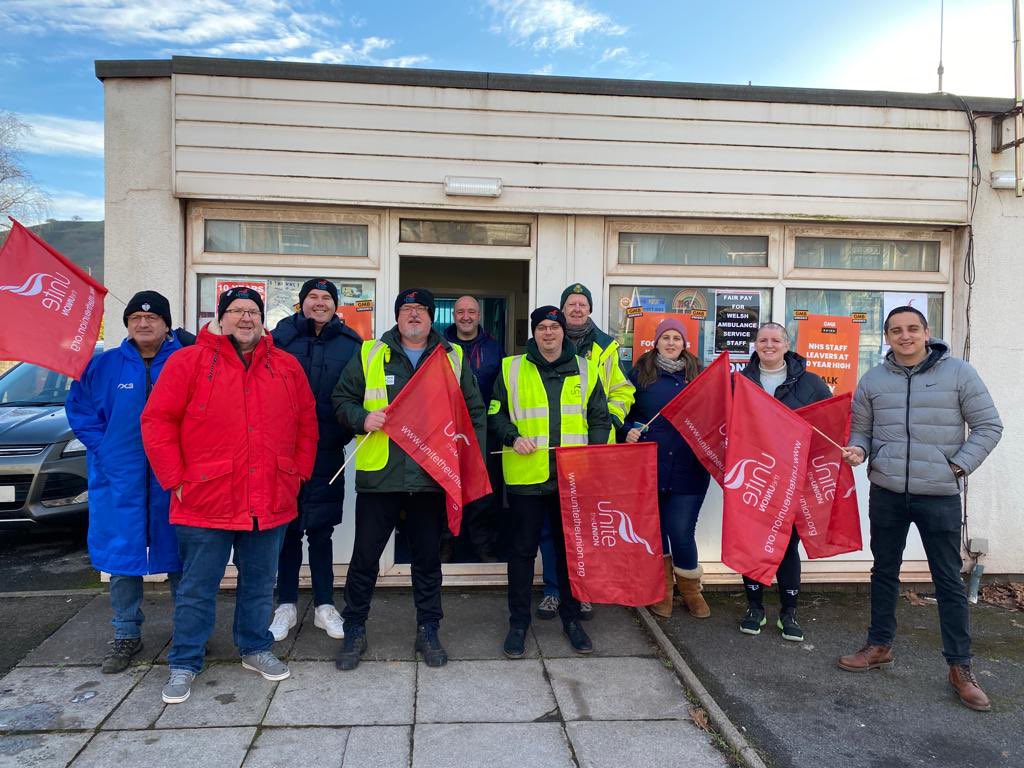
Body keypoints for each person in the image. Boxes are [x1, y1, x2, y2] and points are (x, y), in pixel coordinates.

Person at [141, 286, 318, 704]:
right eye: (236, 310)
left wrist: (296, 475)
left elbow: (307, 423)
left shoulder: (286, 366)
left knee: (259, 584)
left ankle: (255, 647)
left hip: (269, 496)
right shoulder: (189, 362)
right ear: (220, 319)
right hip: (204, 499)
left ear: (263, 318)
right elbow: (157, 422)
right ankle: (184, 661)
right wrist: (176, 480)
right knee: (197, 588)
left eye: (253, 311)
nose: (245, 317)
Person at [839, 306, 1002, 712]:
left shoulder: (959, 373)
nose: (905, 336)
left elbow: (989, 426)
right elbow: (863, 428)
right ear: (887, 337)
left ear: (927, 332)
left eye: (913, 328)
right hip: (888, 492)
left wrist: (958, 465)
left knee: (948, 580)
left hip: (939, 494)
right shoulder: (874, 379)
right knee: (884, 571)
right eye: (896, 330)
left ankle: (960, 668)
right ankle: (879, 646)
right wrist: (859, 449)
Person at [332, 288, 486, 670]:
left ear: (433, 317)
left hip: (431, 475)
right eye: (407, 309)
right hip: (380, 477)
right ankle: (354, 628)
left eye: (420, 309)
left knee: (427, 559)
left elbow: (472, 412)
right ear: (398, 315)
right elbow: (342, 399)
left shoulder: (453, 357)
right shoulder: (371, 353)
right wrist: (362, 418)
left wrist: (466, 460)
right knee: (365, 558)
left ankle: (429, 629)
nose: (413, 315)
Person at [66, 291, 193, 674]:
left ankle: (188, 634)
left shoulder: (187, 361)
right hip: (118, 478)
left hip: (173, 477)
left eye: (152, 318)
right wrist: (104, 448)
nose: (143, 323)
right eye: (136, 317)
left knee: (182, 558)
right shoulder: (103, 366)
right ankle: (125, 633)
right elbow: (80, 410)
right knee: (122, 559)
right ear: (127, 324)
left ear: (167, 324)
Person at [489, 306, 611, 658]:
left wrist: (595, 451)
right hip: (527, 477)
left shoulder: (587, 369)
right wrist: (512, 437)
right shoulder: (511, 368)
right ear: (534, 332)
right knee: (522, 553)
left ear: (563, 332)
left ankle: (572, 620)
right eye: (541, 327)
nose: (548, 334)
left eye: (553, 328)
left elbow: (599, 417)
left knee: (569, 553)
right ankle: (518, 625)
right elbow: (495, 413)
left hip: (571, 477)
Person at [268, 278, 362, 642]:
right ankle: (286, 605)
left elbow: (357, 395)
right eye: (313, 297)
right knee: (287, 529)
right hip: (284, 452)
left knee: (321, 531)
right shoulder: (279, 340)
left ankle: (325, 605)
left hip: (326, 450)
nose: (319, 303)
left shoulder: (351, 344)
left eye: (326, 298)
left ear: (335, 305)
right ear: (301, 303)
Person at [535, 284, 636, 620]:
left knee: (583, 526)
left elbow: (623, 391)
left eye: (582, 304)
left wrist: (611, 419)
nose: (576, 308)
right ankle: (552, 590)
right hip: (550, 452)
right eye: (570, 303)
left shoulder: (606, 347)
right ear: (561, 310)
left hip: (591, 453)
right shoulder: (543, 342)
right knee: (550, 526)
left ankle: (583, 590)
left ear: (590, 309)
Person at [738, 322, 831, 641]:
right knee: (752, 541)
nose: (769, 344)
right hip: (754, 475)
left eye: (775, 339)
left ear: (787, 344)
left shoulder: (812, 384)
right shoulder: (740, 382)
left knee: (788, 543)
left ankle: (789, 611)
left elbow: (827, 427)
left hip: (793, 478)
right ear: (755, 345)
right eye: (763, 340)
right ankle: (754, 607)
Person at [622, 317, 711, 619]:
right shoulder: (640, 374)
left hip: (689, 468)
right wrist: (627, 430)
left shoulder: (700, 376)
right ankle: (663, 591)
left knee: (681, 531)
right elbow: (622, 410)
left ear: (685, 344)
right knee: (656, 532)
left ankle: (691, 591)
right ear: (656, 342)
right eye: (665, 338)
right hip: (650, 467)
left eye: (676, 338)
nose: (671, 343)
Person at [443, 294, 505, 562]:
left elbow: (503, 390)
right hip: (447, 430)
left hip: (485, 431)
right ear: (454, 315)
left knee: (483, 490)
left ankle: (483, 546)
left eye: (471, 311)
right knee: (446, 486)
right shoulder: (439, 347)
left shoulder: (494, 348)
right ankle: (445, 544)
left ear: (479, 316)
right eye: (460, 312)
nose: (466, 316)